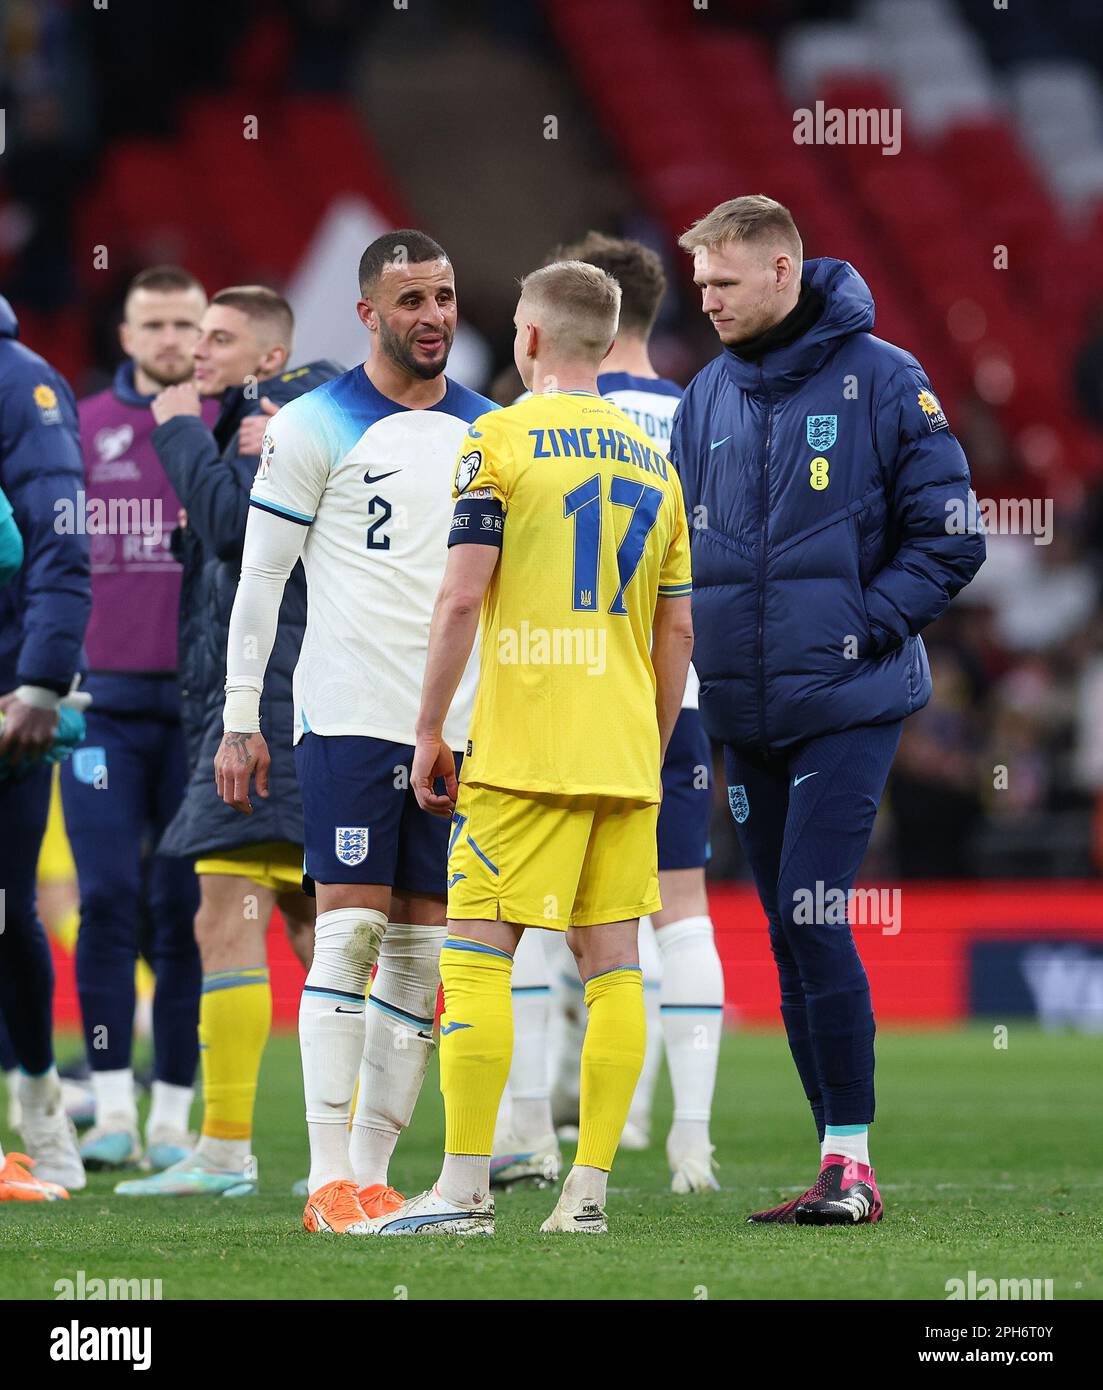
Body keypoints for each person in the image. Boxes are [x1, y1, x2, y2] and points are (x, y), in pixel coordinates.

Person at [671, 196, 985, 1224]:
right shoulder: (704, 394)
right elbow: (678, 557)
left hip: (846, 699)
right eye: (698, 283)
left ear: (781, 272)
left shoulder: (885, 379)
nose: (704, 300)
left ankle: (852, 1161)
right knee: (785, 928)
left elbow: (949, 535)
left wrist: (862, 626)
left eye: (722, 282)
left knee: (810, 908)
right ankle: (833, 1160)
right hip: (741, 711)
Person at [370, 259, 694, 1236]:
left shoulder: (498, 437)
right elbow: (676, 632)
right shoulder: (656, 463)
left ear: (535, 339)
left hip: (522, 749)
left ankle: (462, 1190)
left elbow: (462, 594)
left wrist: (429, 728)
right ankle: (585, 1195)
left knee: (474, 955)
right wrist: (647, 740)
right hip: (622, 753)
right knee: (614, 968)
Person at [215, 230, 495, 1236]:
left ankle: (373, 1173)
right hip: (344, 720)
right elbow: (260, 578)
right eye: (410, 299)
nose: (432, 316)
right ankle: (326, 1172)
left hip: (454, 735)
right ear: (367, 315)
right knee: (347, 932)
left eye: (445, 295)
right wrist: (241, 716)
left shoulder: (488, 432)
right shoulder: (313, 426)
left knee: (422, 955)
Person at [495, 233, 724, 1197]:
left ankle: (528, 1139)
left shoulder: (526, 419)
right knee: (677, 914)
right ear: (657, 306)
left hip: (547, 693)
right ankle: (685, 1143)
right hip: (672, 698)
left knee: (532, 924)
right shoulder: (700, 416)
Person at [115, 288, 340, 1199]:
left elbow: (239, 532)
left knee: (227, 912)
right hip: (278, 703)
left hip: (267, 710)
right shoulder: (276, 415)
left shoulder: (273, 415)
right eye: (191, 335)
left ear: (265, 355)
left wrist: (173, 429)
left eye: (218, 338)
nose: (195, 353)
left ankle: (225, 1151)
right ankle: (344, 1151)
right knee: (316, 926)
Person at [62, 265, 214, 1172]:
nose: (167, 340)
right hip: (102, 713)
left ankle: (173, 1117)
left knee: (181, 909)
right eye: (151, 323)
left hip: (198, 715)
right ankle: (112, 1107)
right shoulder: (77, 431)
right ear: (124, 336)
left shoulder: (227, 430)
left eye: (183, 324)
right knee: (109, 899)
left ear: (204, 336)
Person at [0, 292, 91, 1194]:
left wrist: (41, 681)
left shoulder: (21, 387)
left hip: (7, 696)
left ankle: (40, 1110)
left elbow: (60, 542)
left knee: (5, 911)